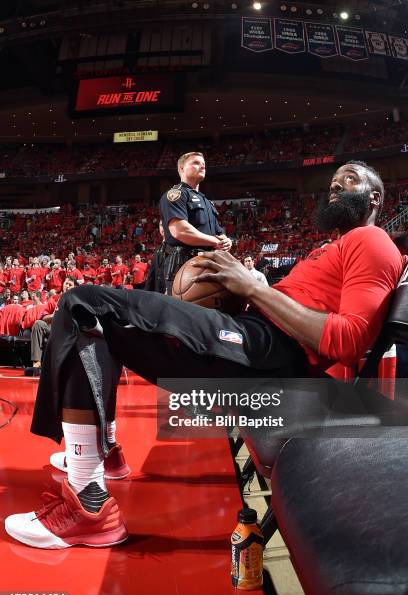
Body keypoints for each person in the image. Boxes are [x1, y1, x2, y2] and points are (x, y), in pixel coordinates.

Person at [5, 161, 404, 549]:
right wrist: (242, 293)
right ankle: (103, 456)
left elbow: (349, 339)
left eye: (348, 180)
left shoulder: (373, 241)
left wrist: (253, 288)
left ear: (373, 198)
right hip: (257, 339)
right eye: (333, 180)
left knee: (83, 305)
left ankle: (89, 507)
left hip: (266, 351)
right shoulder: (336, 247)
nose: (335, 186)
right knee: (96, 321)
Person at [159, 151, 232, 293]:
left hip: (209, 263)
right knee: (185, 312)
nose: (202, 166)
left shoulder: (207, 201)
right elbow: (180, 231)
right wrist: (214, 241)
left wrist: (225, 240)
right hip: (184, 265)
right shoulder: (176, 194)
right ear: (181, 169)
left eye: (203, 164)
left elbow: (218, 233)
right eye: (196, 163)